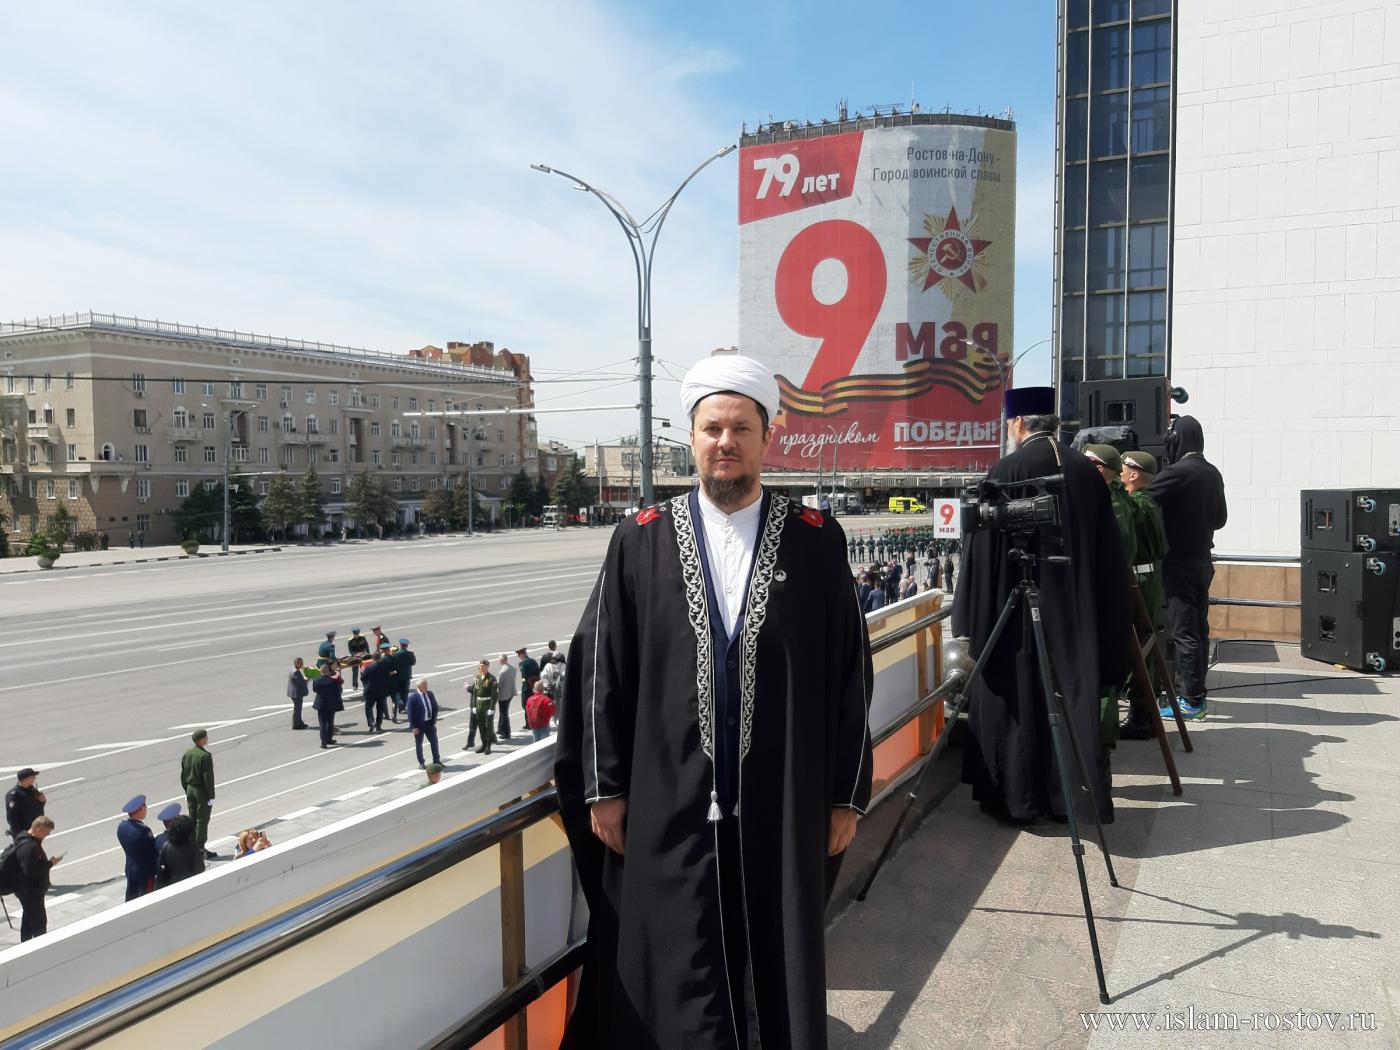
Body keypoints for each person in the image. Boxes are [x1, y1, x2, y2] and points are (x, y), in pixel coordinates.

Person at [555, 353, 872, 1048]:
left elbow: (850, 672)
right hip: (669, 801)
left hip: (781, 799)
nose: (725, 442)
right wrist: (606, 788)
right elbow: (601, 666)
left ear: (767, 436)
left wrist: (846, 795)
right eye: (711, 429)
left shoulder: (816, 541)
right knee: (674, 959)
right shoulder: (640, 539)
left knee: (777, 952)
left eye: (740, 429)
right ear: (692, 438)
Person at [952, 387, 1130, 826]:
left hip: (1015, 617)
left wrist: (970, 619)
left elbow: (982, 557)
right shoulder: (1086, 472)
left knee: (1018, 698)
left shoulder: (1006, 470)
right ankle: (1068, 798)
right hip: (1077, 614)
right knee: (1070, 698)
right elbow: (1110, 554)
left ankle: (1020, 799)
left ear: (1017, 424)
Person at [1149, 415, 1228, 720]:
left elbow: (1142, 501)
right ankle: (1198, 695)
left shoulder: (1176, 472)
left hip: (1179, 562)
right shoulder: (1212, 472)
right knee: (1199, 629)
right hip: (1203, 560)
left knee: (1184, 632)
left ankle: (1191, 701)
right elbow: (1220, 520)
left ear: (1176, 441)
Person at [1083, 444, 1138, 752]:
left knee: (1102, 673)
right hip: (1108, 591)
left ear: (1098, 469)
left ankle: (1100, 744)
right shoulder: (1113, 497)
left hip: (1104, 595)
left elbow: (1110, 554)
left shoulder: (1111, 502)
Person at [1119, 450, 1170, 738]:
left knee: (1138, 648)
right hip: (1143, 577)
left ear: (1134, 474)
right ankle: (1143, 713)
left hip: (1139, 578)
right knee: (1141, 646)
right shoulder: (1145, 501)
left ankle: (1140, 716)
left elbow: (1123, 507)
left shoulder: (1139, 502)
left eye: (1122, 469)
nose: (1119, 473)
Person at [12, 816, 59, 941]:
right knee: (39, 924)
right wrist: (50, 864)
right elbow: (30, 871)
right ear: (38, 829)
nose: (47, 835)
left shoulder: (23, 838)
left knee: (28, 920)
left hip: (25, 891)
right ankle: (41, 947)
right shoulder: (31, 847)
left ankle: (25, 944)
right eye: (46, 832)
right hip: (31, 892)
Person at [180, 729, 217, 859]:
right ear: (200, 740)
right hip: (201, 792)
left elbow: (183, 775)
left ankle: (192, 845)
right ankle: (200, 848)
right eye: (205, 737)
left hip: (190, 789)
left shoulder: (187, 754)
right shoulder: (205, 756)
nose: (207, 738)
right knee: (202, 820)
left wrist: (186, 790)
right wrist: (211, 795)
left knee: (192, 818)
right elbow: (208, 778)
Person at [116, 795, 159, 901]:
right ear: (141, 810)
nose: (146, 809)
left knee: (131, 896)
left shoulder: (122, 827)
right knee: (145, 899)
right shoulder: (144, 831)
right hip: (144, 873)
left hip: (130, 869)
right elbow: (152, 854)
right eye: (145, 807)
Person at [155, 814, 204, 888]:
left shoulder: (166, 846)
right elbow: (200, 869)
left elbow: (161, 867)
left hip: (171, 884)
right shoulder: (192, 848)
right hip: (190, 884)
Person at [406, 678, 442, 768]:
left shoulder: (430, 694)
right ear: (419, 687)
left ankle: (437, 760)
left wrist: (434, 719)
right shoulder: (413, 698)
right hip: (419, 726)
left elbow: (435, 707)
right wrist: (414, 727)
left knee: (434, 742)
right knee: (419, 744)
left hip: (430, 723)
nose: (427, 687)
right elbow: (410, 714)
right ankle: (421, 763)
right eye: (424, 685)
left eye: (426, 685)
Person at [6, 768, 46, 840]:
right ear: (27, 779)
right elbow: (12, 819)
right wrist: (21, 835)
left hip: (35, 828)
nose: (35, 778)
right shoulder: (14, 796)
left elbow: (37, 808)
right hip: (24, 832)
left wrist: (42, 802)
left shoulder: (31, 789)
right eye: (33, 777)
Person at [468, 660, 498, 755]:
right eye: (479, 666)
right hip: (479, 704)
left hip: (487, 704)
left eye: (482, 666)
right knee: (481, 726)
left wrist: (491, 708)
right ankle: (484, 745)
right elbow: (475, 693)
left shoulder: (491, 678)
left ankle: (488, 746)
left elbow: (494, 695)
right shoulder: (478, 678)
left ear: (486, 667)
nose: (480, 667)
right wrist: (474, 705)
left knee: (488, 726)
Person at [312, 661, 345, 748]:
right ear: (327, 671)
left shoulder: (316, 680)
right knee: (330, 722)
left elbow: (315, 690)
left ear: (321, 671)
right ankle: (329, 738)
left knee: (322, 723)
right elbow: (338, 691)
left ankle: (323, 742)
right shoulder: (333, 681)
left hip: (321, 704)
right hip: (331, 704)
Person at [359, 647, 391, 733]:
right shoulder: (385, 667)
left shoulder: (369, 667)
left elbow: (362, 677)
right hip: (381, 691)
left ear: (373, 658)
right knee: (380, 709)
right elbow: (389, 676)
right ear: (380, 657)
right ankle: (378, 725)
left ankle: (371, 723)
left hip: (370, 690)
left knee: (368, 708)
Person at [494, 652, 518, 742]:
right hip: (511, 692)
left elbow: (498, 684)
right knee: (503, 712)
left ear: (501, 660)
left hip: (504, 694)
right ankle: (501, 728)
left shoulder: (502, 672)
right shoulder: (512, 668)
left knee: (504, 713)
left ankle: (506, 733)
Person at [392, 639, 416, 721]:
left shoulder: (396, 654)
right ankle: (402, 708)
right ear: (407, 646)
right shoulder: (411, 654)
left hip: (397, 675)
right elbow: (413, 662)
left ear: (400, 645)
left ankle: (399, 702)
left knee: (397, 691)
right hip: (407, 676)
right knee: (405, 692)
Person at [287, 657, 310, 731]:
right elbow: (300, 682)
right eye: (300, 663)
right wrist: (307, 679)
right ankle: (296, 724)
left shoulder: (294, 670)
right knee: (297, 709)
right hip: (296, 693)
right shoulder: (296, 672)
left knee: (298, 708)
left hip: (294, 692)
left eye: (302, 662)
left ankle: (300, 722)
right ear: (296, 663)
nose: (302, 664)